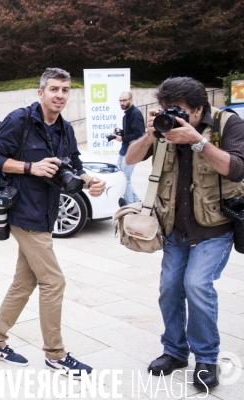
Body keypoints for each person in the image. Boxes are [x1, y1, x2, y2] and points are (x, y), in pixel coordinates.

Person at [0, 68, 106, 377]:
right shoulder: (20, 119)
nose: (60, 95)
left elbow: (74, 165)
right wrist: (30, 167)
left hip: (47, 212)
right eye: (54, 89)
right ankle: (56, 355)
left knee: (24, 282)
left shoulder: (64, 129)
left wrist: (89, 179)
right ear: (41, 93)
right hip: (23, 213)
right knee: (53, 281)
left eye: (65, 90)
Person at [126, 77, 244, 389]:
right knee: (169, 287)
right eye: (167, 110)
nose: (173, 116)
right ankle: (175, 351)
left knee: (197, 285)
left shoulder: (226, 123)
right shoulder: (163, 129)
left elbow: (236, 169)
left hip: (215, 227)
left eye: (180, 111)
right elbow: (130, 158)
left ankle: (206, 357)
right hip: (175, 228)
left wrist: (197, 140)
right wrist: (151, 134)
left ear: (198, 109)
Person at [111, 91, 145, 205]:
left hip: (132, 150)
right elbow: (131, 132)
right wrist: (120, 133)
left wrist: (123, 138)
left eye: (124, 100)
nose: (122, 103)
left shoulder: (135, 113)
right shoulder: (127, 114)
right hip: (125, 149)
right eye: (120, 101)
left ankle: (130, 205)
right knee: (121, 177)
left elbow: (139, 134)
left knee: (125, 179)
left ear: (131, 100)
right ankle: (136, 201)